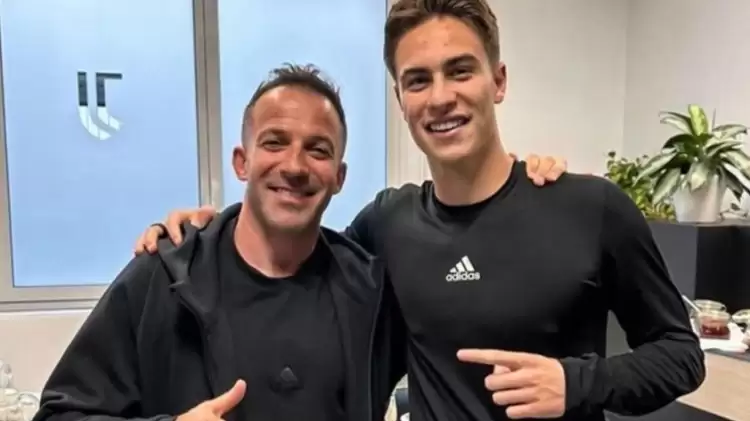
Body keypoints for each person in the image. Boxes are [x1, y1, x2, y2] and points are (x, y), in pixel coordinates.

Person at [134, 0, 705, 420]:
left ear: (498, 81)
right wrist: (202, 232)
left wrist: (577, 383)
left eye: (460, 70)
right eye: (417, 80)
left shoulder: (590, 207)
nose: (440, 97)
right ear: (401, 99)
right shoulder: (387, 224)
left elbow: (681, 355)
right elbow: (290, 246)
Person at [34, 65, 412, 421]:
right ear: (241, 162)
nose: (294, 166)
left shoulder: (370, 294)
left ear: (339, 177)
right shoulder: (163, 278)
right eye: (275, 142)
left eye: (318, 150)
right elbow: (59, 414)